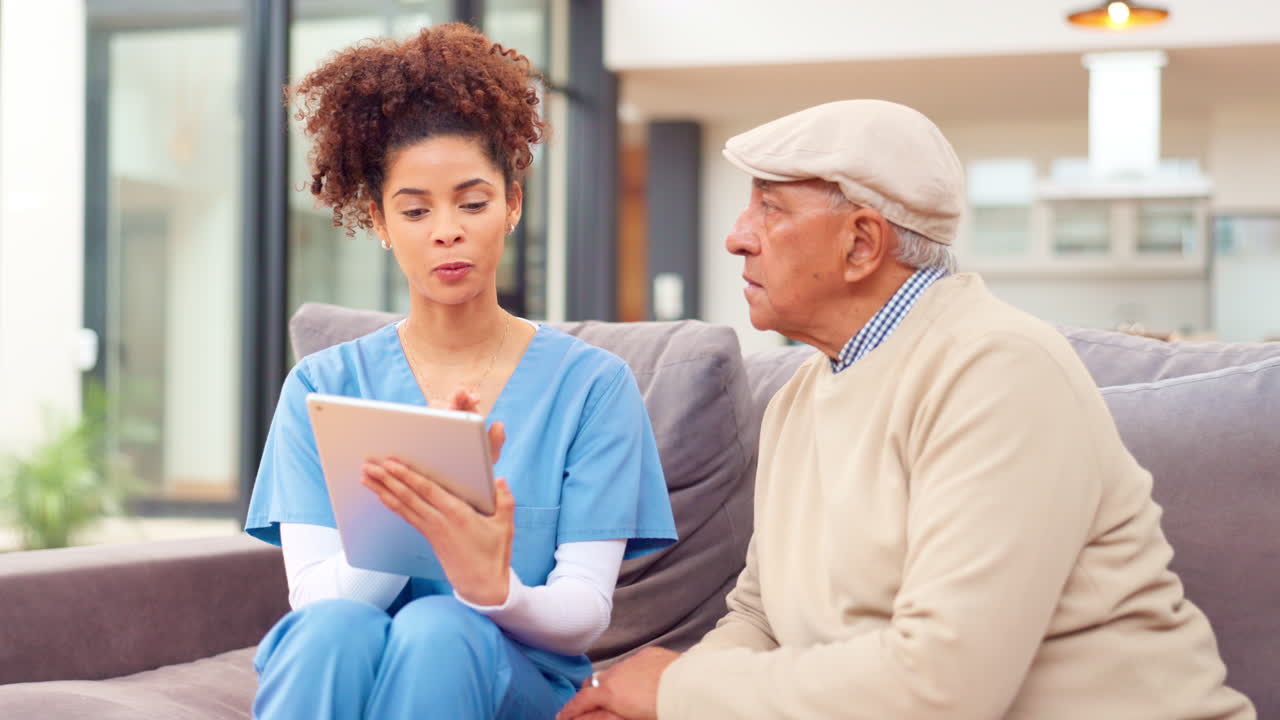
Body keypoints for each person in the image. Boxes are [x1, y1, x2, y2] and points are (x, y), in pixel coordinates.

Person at [558, 100, 1255, 720]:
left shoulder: (999, 371)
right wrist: (649, 704)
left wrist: (679, 694)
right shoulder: (802, 395)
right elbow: (760, 618)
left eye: (770, 208)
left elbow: (944, 685)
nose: (737, 236)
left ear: (862, 244)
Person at [243, 23, 676, 720]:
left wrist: (490, 585)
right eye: (415, 210)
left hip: (516, 673)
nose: (446, 229)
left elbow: (585, 612)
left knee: (439, 628)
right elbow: (314, 599)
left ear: (512, 205)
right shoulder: (321, 389)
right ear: (380, 223)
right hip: (351, 651)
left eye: (472, 202)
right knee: (331, 629)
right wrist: (413, 519)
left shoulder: (592, 389)